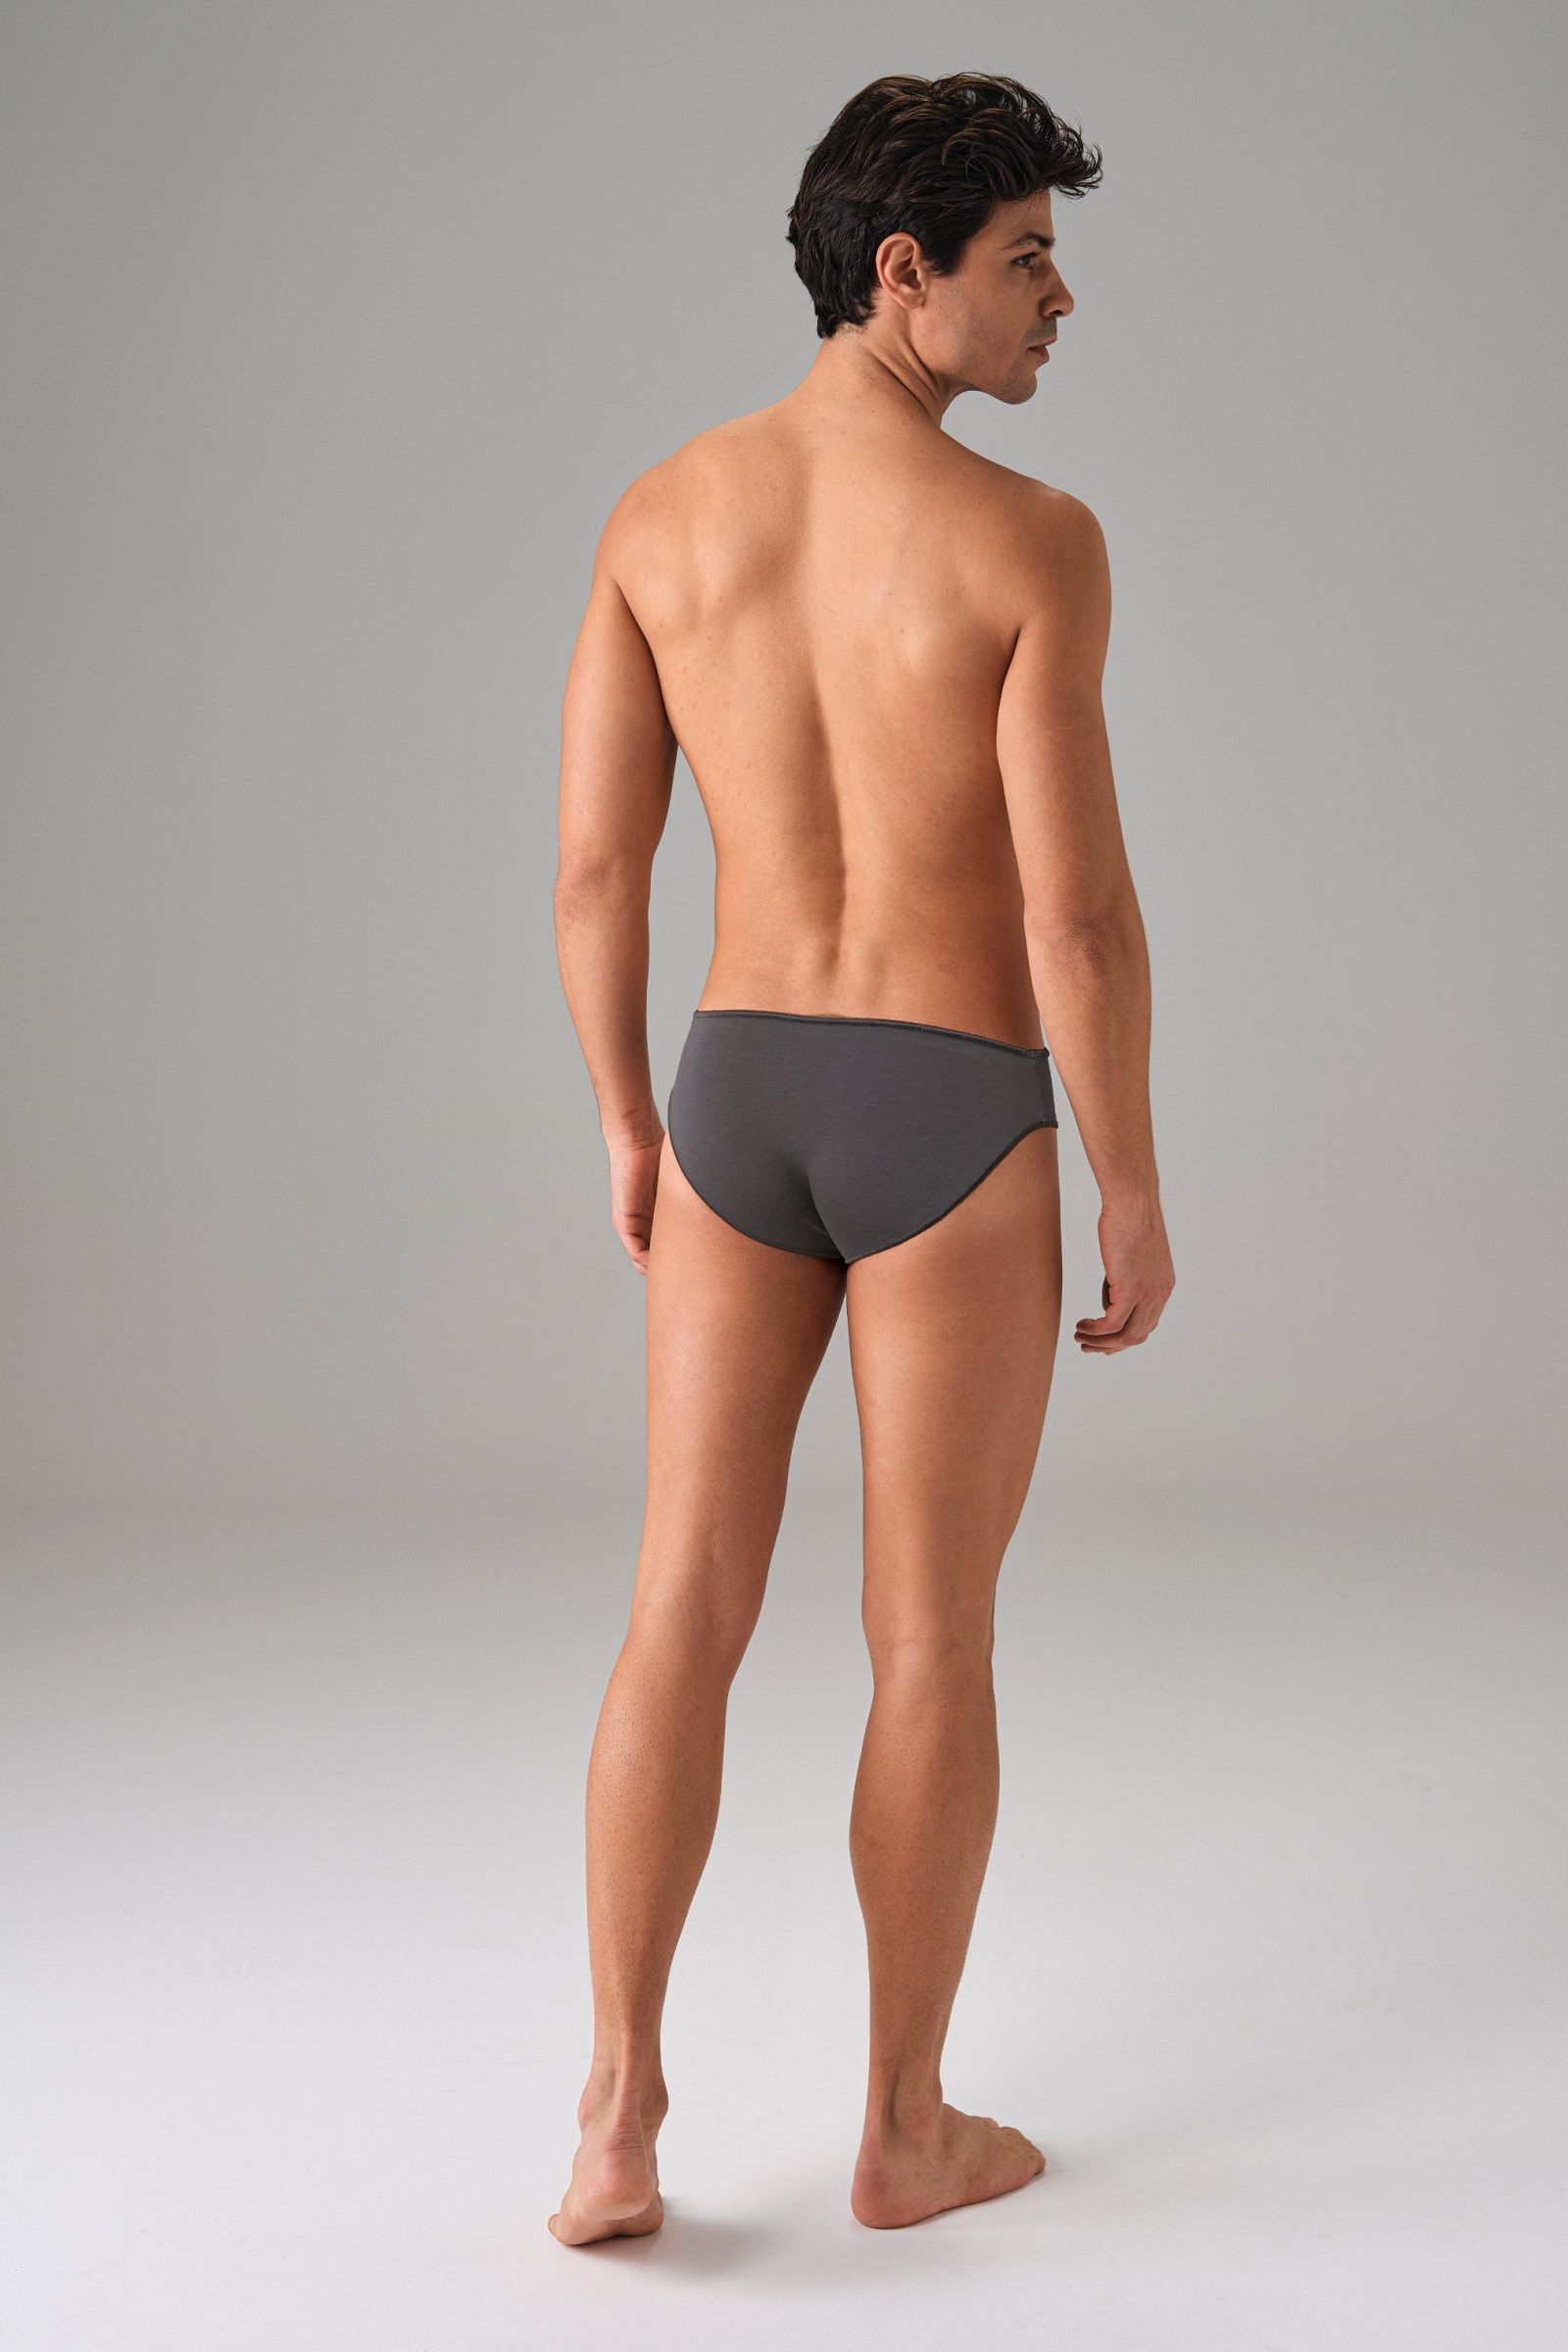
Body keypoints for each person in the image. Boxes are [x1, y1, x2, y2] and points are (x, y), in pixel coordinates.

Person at [550, 70, 1174, 2241]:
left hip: (734, 1094)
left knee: (679, 1609)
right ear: (901, 272)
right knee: (929, 1639)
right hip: (945, 1104)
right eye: (1026, 261)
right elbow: (1075, 916)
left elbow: (593, 874)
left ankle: (615, 2118)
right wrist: (1128, 1176)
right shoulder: (1030, 542)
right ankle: (905, 2129)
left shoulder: (660, 515)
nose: (1059, 301)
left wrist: (629, 1120)